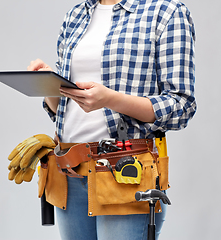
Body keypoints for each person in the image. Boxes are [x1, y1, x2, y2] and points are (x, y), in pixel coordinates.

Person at [27, 0, 196, 239]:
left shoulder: (165, 12)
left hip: (123, 174)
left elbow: (181, 105)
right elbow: (62, 109)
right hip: (69, 171)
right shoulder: (76, 15)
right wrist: (48, 84)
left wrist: (110, 99)